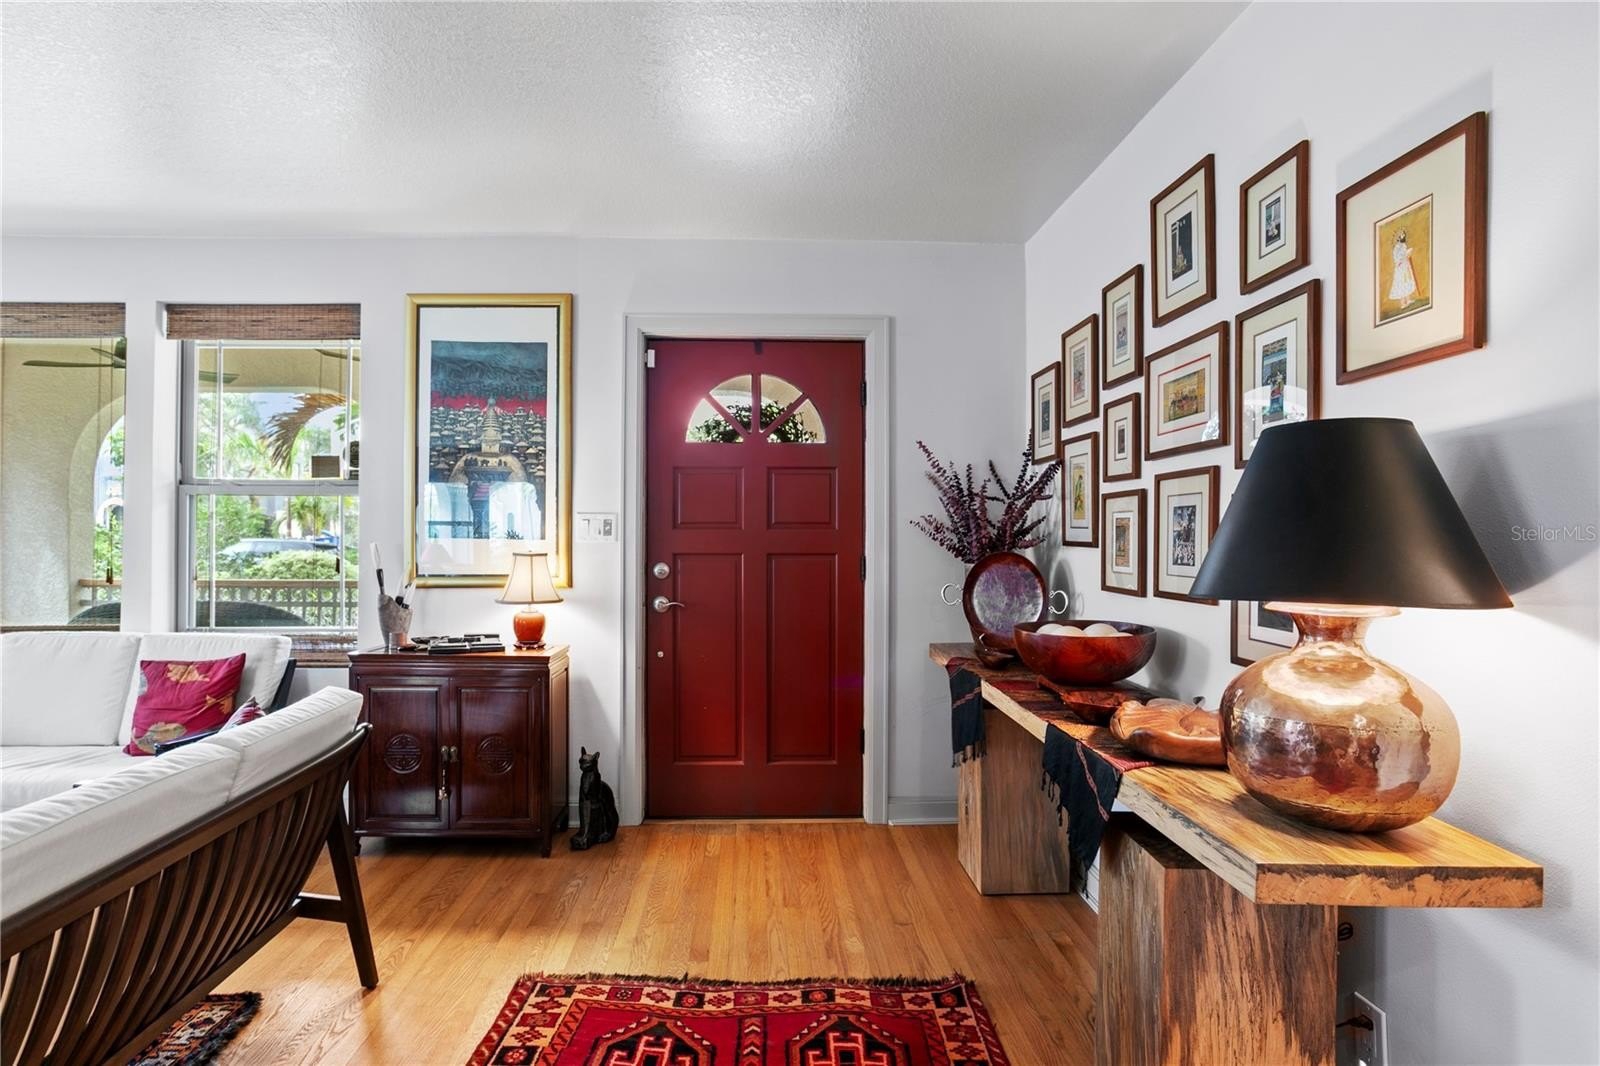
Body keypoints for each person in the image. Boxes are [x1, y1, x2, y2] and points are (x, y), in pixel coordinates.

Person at [1388, 228, 1420, 308]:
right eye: (1401, 235)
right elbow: (1397, 258)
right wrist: (1404, 256)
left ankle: (1408, 300)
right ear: (1398, 238)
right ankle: (1403, 303)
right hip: (1400, 268)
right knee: (1401, 283)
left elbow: (1405, 254)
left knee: (1407, 281)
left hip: (1405, 266)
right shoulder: (1397, 247)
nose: (1403, 236)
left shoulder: (1403, 245)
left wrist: (1407, 254)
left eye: (1403, 235)